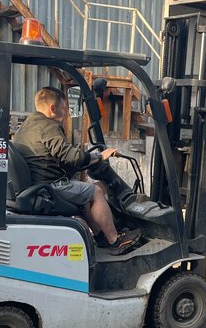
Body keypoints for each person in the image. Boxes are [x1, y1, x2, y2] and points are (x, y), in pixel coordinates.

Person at [11, 86, 141, 255]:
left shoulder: (27, 125)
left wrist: (85, 159)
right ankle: (116, 241)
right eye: (64, 108)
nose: (65, 112)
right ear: (53, 108)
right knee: (95, 192)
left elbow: (57, 157)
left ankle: (101, 238)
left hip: (38, 185)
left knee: (83, 198)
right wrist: (99, 157)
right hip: (49, 187)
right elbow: (71, 157)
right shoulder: (48, 126)